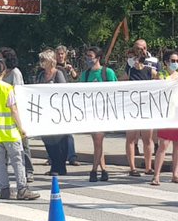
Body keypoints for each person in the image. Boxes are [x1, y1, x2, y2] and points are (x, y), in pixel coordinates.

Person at [0, 59, 39, 200]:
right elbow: (13, 110)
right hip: (9, 132)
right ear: (4, 71)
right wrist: (21, 128)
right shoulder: (7, 88)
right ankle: (22, 189)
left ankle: (4, 190)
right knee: (17, 160)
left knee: (0, 162)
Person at [152, 51, 178, 186]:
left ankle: (175, 174)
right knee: (163, 144)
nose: (175, 63)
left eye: (177, 61)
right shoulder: (161, 75)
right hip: (167, 113)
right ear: (166, 62)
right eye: (172, 60)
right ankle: (156, 175)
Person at [79, 46, 117, 182]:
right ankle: (104, 170)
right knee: (97, 143)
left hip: (103, 113)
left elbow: (115, 91)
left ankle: (94, 170)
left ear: (98, 58)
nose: (88, 59)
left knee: (98, 141)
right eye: (87, 56)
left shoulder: (108, 73)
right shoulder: (86, 74)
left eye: (91, 56)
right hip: (91, 113)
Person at [0, 48, 33, 182]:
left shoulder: (15, 73)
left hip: (16, 110)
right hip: (3, 115)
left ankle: (28, 170)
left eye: (1, 58)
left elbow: (18, 92)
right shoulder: (0, 74)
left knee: (23, 144)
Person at [34, 50, 70, 176]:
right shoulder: (40, 75)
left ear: (50, 61)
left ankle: (61, 166)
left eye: (44, 60)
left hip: (58, 112)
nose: (41, 63)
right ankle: (54, 164)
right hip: (44, 112)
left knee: (60, 140)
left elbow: (64, 91)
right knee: (48, 140)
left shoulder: (58, 73)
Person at [124, 46, 157, 177]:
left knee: (147, 138)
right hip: (132, 109)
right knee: (131, 138)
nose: (136, 61)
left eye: (138, 58)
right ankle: (132, 167)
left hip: (146, 108)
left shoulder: (150, 71)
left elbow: (160, 80)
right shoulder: (130, 71)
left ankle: (148, 167)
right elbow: (120, 81)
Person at [54, 45, 80, 167]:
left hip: (67, 101)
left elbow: (76, 78)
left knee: (69, 131)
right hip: (55, 102)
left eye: (62, 54)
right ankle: (53, 156)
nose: (60, 56)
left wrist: (72, 70)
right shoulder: (52, 67)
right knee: (54, 133)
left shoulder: (68, 66)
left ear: (65, 55)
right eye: (58, 54)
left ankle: (72, 156)